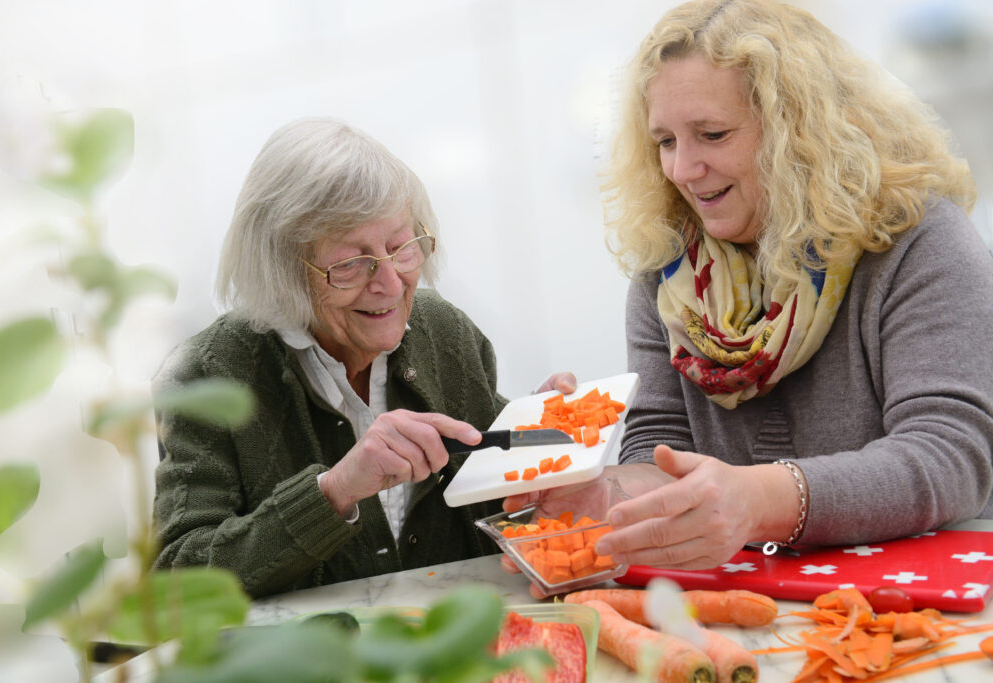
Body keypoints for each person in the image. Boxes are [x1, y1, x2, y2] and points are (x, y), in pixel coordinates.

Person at [506, 0, 993, 594]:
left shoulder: (919, 243)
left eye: (712, 134)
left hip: (928, 617)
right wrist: (600, 494)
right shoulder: (669, 279)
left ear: (802, 130)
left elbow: (951, 458)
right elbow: (663, 455)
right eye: (664, 141)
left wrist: (759, 498)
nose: (683, 169)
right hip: (756, 611)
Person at [152, 117, 575, 598]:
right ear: (283, 272)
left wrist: (534, 438)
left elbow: (496, 505)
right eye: (351, 264)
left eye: (401, 247)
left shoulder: (444, 332)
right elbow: (176, 587)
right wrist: (334, 492)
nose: (391, 284)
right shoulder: (206, 376)